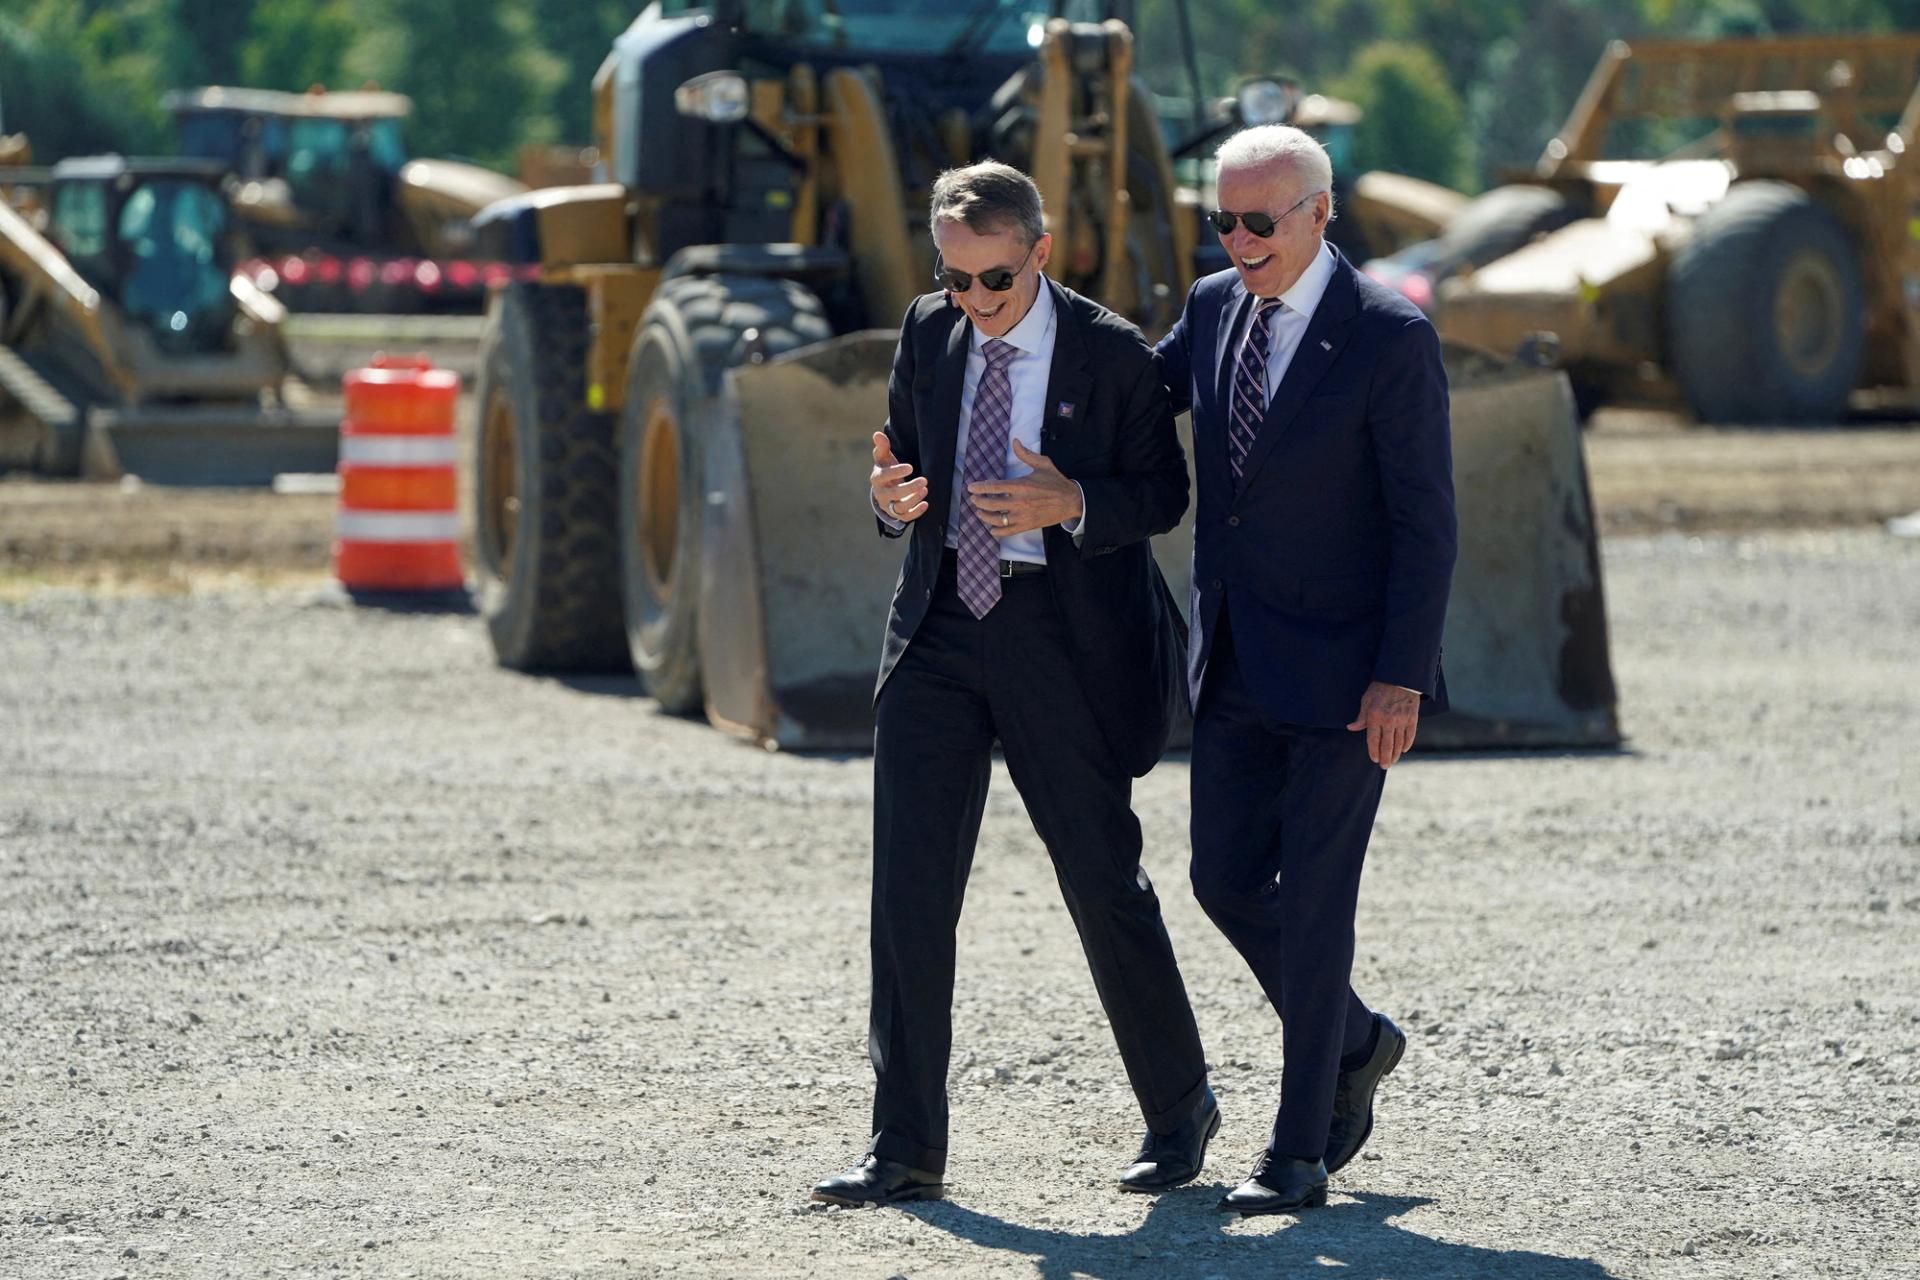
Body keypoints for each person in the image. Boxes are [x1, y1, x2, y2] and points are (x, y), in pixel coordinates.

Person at [811, 161, 1217, 1207]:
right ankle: (904, 1143)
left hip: (1061, 636)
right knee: (907, 888)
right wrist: (892, 501)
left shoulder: (1114, 353)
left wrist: (1070, 499)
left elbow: (1164, 495)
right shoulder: (927, 330)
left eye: (993, 279)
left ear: (1040, 252)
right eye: (955, 279)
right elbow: (901, 471)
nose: (974, 303)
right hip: (941, 626)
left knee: (1099, 876)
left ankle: (1180, 1110)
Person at [1156, 125, 1457, 1215]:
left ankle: (1298, 1151)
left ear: (1319, 214)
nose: (1237, 241)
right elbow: (1137, 405)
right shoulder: (1208, 308)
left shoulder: (1389, 337)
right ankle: (1361, 1038)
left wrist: (1401, 673)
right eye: (1221, 220)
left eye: (1259, 221)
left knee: (1321, 902)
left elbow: (1427, 525)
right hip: (1232, 655)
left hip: (1346, 678)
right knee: (1223, 879)